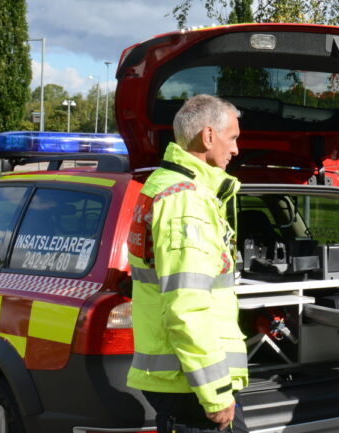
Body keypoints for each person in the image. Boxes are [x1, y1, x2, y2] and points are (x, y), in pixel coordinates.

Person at [127, 94, 249, 433]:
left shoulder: (169, 186)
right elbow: (187, 306)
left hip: (185, 379)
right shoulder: (186, 201)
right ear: (208, 136)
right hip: (191, 386)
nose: (236, 150)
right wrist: (216, 392)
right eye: (233, 138)